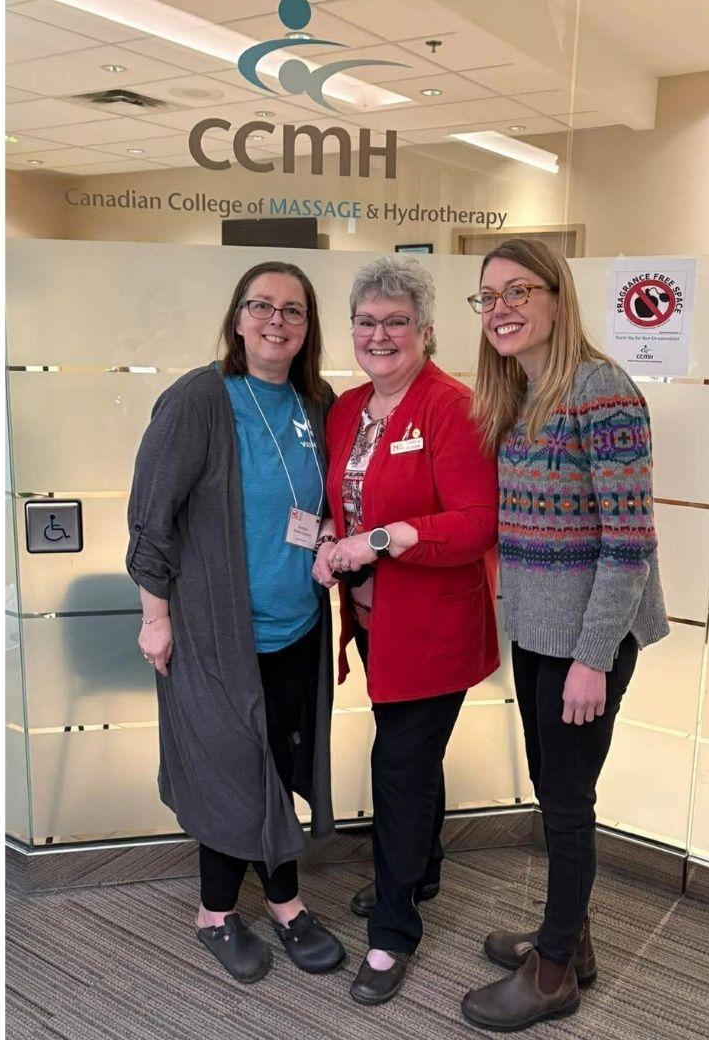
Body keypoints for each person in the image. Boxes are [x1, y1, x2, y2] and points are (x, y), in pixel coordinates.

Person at [459, 238, 670, 1031]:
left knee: (568, 802)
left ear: (556, 297)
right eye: (488, 297)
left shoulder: (600, 391)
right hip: (538, 630)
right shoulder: (516, 393)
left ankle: (551, 976)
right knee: (553, 792)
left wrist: (592, 659)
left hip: (588, 639)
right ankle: (568, 941)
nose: (501, 309)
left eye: (519, 291)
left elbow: (629, 543)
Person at [126, 261, 346, 984]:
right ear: (237, 318)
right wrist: (155, 619)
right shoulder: (199, 399)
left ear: (308, 327)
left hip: (297, 630)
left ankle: (279, 901)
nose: (276, 321)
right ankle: (219, 912)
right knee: (231, 773)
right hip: (215, 636)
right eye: (261, 306)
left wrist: (334, 543)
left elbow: (332, 503)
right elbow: (151, 518)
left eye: (292, 310)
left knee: (276, 763)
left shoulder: (317, 402)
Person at [310, 255, 499, 1006]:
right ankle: (421, 872)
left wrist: (382, 540)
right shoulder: (348, 409)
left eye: (396, 322)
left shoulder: (453, 407)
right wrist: (334, 533)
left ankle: (393, 933)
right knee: (413, 762)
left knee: (396, 768)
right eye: (366, 322)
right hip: (371, 623)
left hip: (432, 629)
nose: (379, 335)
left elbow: (476, 524)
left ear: (425, 330)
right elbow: (343, 500)